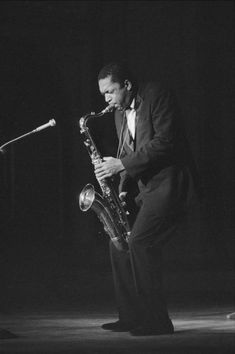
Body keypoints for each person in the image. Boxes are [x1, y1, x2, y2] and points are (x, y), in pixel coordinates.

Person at [94, 61, 198, 336]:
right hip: (144, 189)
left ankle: (157, 321)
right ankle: (130, 316)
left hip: (169, 184)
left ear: (127, 85)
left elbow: (166, 142)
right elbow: (130, 151)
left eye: (110, 92)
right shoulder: (118, 114)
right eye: (103, 94)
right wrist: (123, 186)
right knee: (118, 242)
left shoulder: (156, 95)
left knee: (141, 242)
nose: (106, 100)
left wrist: (121, 166)